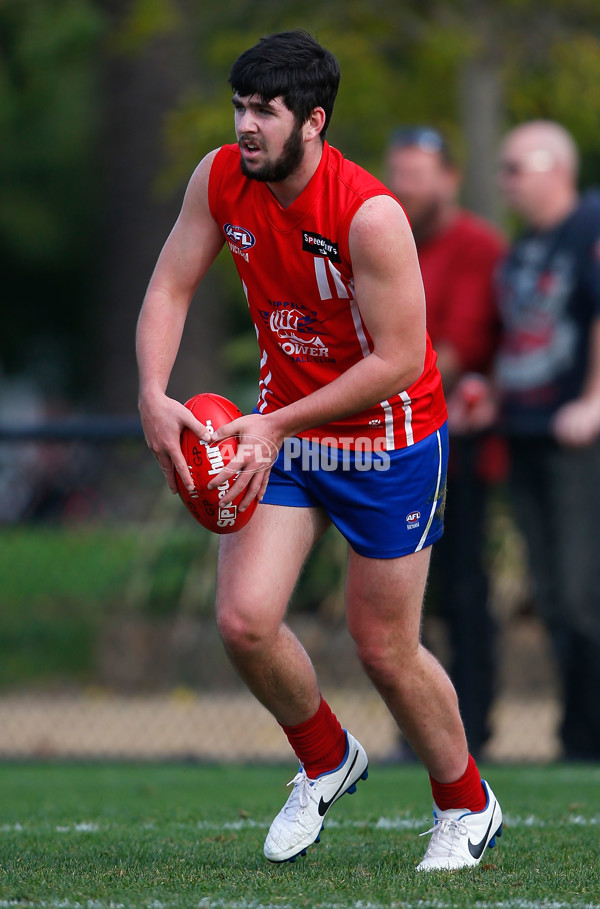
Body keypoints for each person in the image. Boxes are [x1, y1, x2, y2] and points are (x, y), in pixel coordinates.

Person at [136, 30, 502, 870]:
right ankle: (326, 756)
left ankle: (467, 803)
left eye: (264, 110)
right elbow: (169, 284)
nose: (246, 126)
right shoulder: (221, 176)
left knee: (383, 646)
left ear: (314, 122)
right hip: (287, 432)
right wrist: (153, 394)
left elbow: (400, 360)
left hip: (388, 441)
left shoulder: (369, 214)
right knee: (243, 620)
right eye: (239, 106)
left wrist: (277, 423)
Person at [383, 127, 506, 757]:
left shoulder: (477, 247)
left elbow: (457, 346)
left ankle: (474, 727)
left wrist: (388, 380)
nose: (405, 185)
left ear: (449, 178)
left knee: (461, 591)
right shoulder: (380, 235)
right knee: (402, 604)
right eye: (397, 172)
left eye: (419, 172)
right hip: (390, 448)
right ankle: (418, 734)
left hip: (458, 451)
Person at [491, 120, 600, 760]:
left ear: (554, 166)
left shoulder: (588, 225)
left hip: (575, 441)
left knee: (581, 593)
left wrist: (592, 399)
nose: (504, 181)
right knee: (553, 598)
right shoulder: (524, 248)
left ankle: (588, 737)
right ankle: (576, 736)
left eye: (514, 167)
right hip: (525, 431)